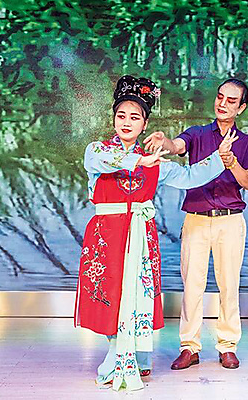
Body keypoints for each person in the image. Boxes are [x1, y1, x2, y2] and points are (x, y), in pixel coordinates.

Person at [74, 75, 238, 391]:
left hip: (139, 235)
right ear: (113, 119)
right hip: (108, 235)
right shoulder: (98, 150)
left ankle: (136, 355)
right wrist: (139, 159)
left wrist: (219, 156)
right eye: (121, 116)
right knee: (110, 293)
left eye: (134, 117)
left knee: (137, 293)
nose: (127, 122)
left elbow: (190, 176)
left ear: (145, 123)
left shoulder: (156, 162)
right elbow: (102, 161)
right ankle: (116, 353)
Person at [144, 78, 248, 370]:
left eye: (231, 101)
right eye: (220, 97)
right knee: (192, 285)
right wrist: (164, 142)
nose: (223, 104)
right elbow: (176, 146)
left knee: (229, 285)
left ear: (241, 108)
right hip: (196, 220)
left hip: (230, 221)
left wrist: (231, 162)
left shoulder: (247, 143)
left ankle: (227, 345)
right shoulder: (197, 134)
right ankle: (189, 347)